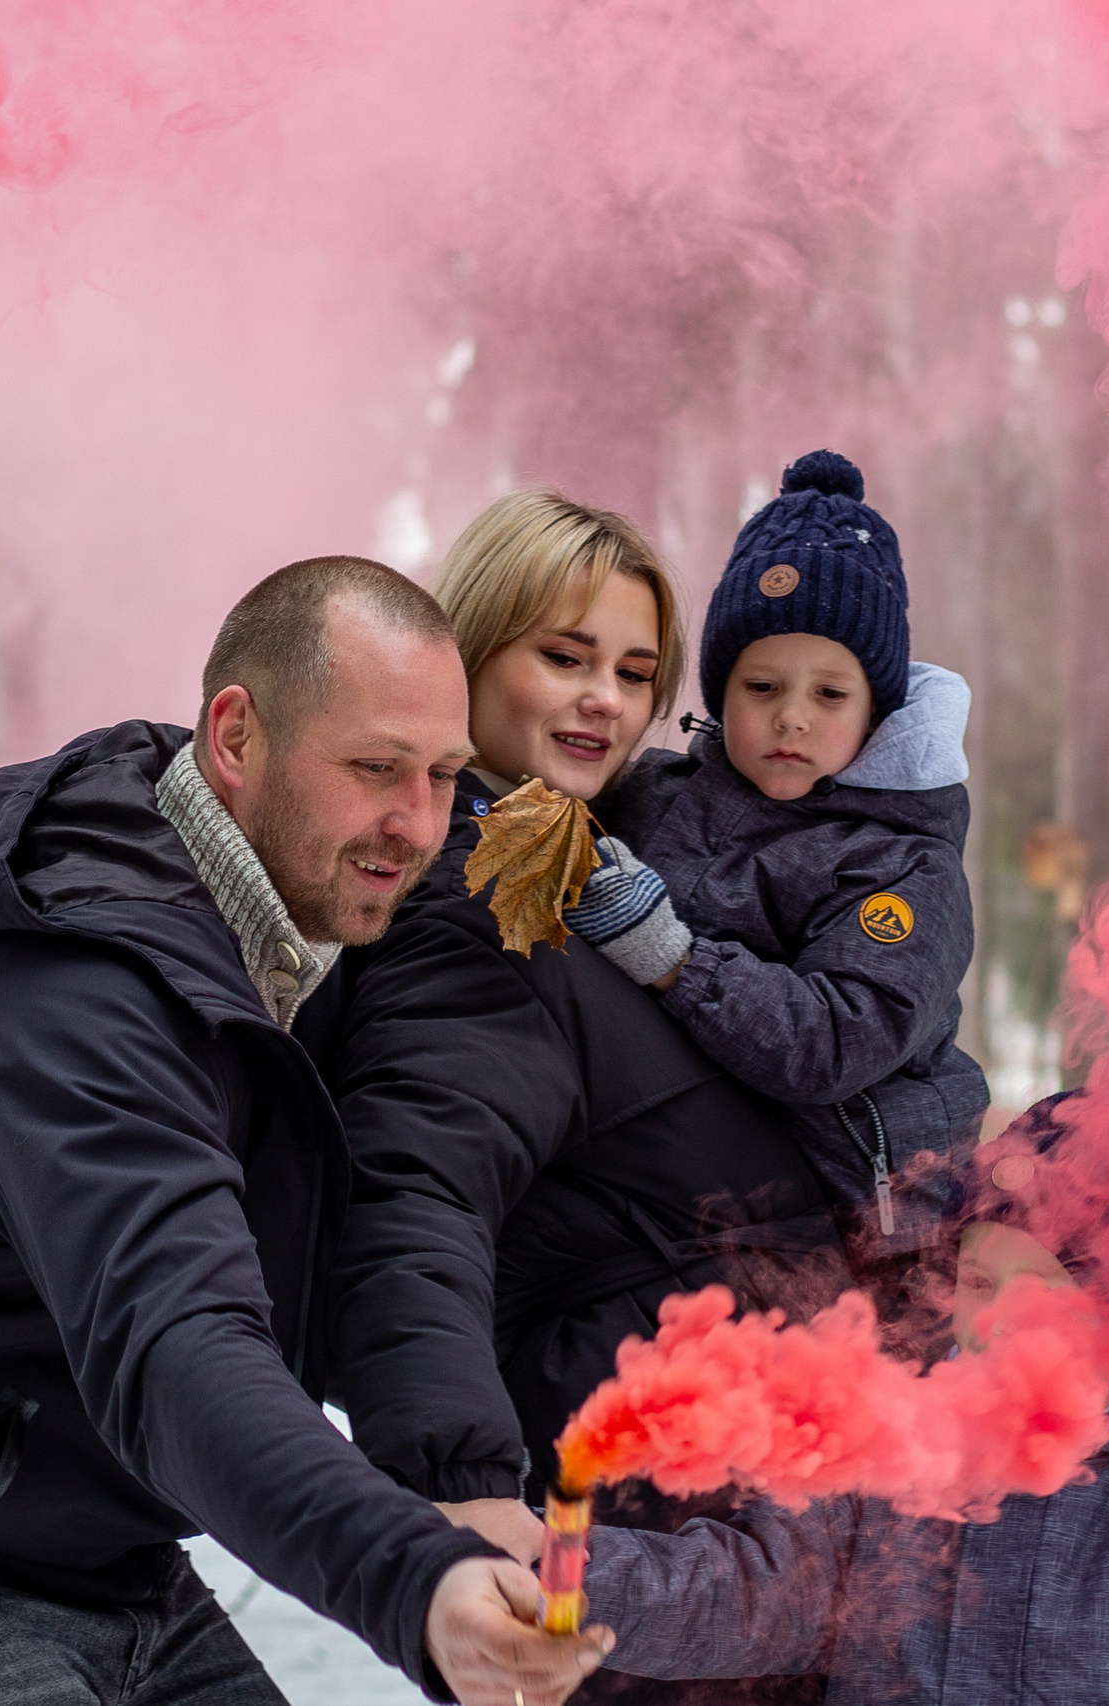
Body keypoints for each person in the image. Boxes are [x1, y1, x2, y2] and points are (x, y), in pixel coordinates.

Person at [0, 557, 613, 1706]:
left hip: (94, 1552)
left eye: (442, 775)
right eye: (374, 767)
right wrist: (415, 1579)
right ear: (235, 736)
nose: (415, 824)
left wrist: (453, 1478)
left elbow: (404, 1214)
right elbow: (177, 1343)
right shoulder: (76, 986)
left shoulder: (299, 948)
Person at [308, 491, 856, 1705]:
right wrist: (457, 1487)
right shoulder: (482, 906)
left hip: (737, 1512)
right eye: (561, 656)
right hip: (650, 1521)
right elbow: (416, 1191)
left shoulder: (588, 881)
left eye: (634, 669)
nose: (602, 698)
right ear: (468, 655)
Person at [574, 1217, 1109, 1705]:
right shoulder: (889, 1477)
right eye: (978, 1282)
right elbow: (735, 1592)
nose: (998, 1315)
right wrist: (552, 1571)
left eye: (1040, 1287)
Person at [567, 449, 988, 1271]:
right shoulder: (654, 795)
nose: (792, 718)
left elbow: (835, 1040)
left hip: (861, 1228)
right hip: (693, 1189)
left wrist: (674, 960)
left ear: (876, 711)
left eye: (829, 694)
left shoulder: (902, 866)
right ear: (721, 695)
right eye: (762, 688)